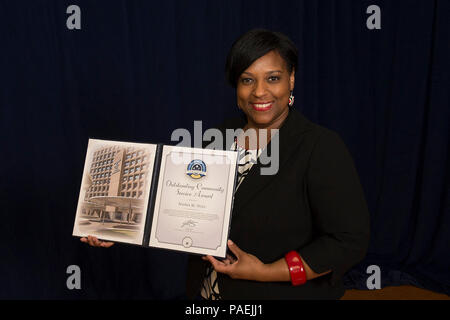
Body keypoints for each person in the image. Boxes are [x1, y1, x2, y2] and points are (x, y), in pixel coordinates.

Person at [81, 29, 370, 300]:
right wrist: (118, 227)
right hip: (207, 293)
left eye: (273, 78)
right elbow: (178, 208)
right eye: (247, 79)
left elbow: (348, 240)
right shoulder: (215, 138)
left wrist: (268, 272)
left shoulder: (320, 146)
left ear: (291, 79)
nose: (259, 92)